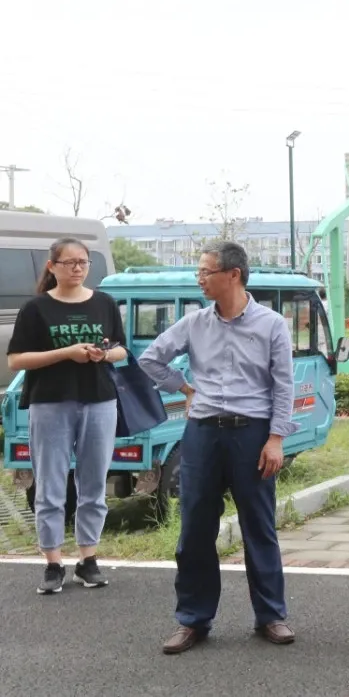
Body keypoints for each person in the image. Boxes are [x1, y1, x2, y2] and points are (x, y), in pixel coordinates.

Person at [139, 240, 299, 655]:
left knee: (259, 526)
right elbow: (151, 360)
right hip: (203, 434)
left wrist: (277, 438)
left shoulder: (271, 324)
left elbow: (283, 383)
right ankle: (192, 619)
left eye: (206, 271)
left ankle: (271, 616)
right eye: (199, 272)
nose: (200, 279)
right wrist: (184, 388)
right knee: (194, 527)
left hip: (253, 434)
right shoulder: (194, 324)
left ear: (234, 274)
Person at [5, 237, 127, 594]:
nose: (77, 268)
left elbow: (120, 349)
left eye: (83, 262)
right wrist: (66, 353)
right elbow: (17, 360)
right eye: (69, 262)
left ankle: (88, 559)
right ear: (52, 267)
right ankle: (53, 563)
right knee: (50, 484)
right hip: (50, 403)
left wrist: (102, 356)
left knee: (93, 484)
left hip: (99, 401)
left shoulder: (104, 303)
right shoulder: (36, 309)